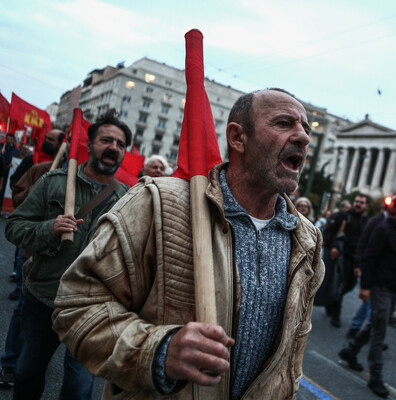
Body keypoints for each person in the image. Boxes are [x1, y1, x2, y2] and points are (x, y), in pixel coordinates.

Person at [52, 88, 325, 400]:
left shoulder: (306, 240)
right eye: (284, 123)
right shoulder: (158, 204)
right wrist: (158, 351)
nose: (302, 137)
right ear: (237, 138)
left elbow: (292, 357)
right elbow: (77, 304)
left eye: (305, 128)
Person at [5, 110, 131, 400]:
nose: (113, 147)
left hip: (92, 308)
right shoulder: (54, 182)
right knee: (27, 372)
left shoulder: (128, 199)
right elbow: (13, 227)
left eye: (120, 144)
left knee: (79, 389)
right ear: (89, 145)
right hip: (43, 297)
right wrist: (50, 228)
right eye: (106, 140)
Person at [0, 129, 65, 389]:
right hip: (32, 255)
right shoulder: (40, 169)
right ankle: (9, 364)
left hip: (64, 272)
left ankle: (33, 363)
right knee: (23, 309)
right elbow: (17, 192)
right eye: (46, 139)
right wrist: (40, 194)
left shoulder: (88, 182)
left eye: (52, 140)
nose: (47, 142)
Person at [338, 193, 396, 398]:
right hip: (380, 286)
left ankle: (350, 350)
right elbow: (370, 257)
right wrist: (365, 287)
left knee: (375, 323)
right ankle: (376, 376)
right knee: (380, 328)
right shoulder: (384, 229)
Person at [346, 194, 396, 339]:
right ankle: (370, 333)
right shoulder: (376, 221)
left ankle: (356, 328)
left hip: (384, 268)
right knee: (373, 304)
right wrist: (358, 264)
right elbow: (364, 242)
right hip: (372, 266)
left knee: (370, 302)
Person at [322, 193, 369, 327]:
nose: (358, 204)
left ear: (366, 206)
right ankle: (335, 314)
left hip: (356, 258)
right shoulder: (343, 216)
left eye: (361, 202)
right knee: (340, 284)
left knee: (350, 285)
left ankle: (332, 301)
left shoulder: (366, 221)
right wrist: (331, 247)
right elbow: (328, 232)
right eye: (357, 201)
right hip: (341, 256)